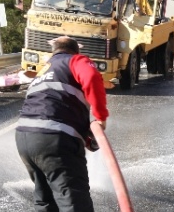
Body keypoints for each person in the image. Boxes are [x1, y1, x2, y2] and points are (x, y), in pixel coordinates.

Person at [15, 36, 109, 212]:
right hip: (54, 138)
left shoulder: (45, 69)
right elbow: (91, 76)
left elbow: (52, 104)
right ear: (76, 51)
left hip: (24, 138)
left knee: (45, 200)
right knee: (74, 203)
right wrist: (100, 117)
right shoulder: (75, 60)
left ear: (54, 51)